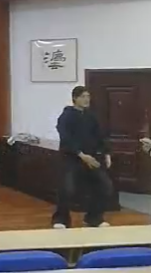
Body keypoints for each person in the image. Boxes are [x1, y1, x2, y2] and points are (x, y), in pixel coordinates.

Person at [52, 86, 113, 229]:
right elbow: (66, 139)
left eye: (88, 96)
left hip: (91, 158)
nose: (86, 99)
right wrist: (81, 155)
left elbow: (100, 136)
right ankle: (61, 219)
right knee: (67, 189)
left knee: (105, 186)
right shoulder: (66, 116)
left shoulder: (91, 116)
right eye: (83, 97)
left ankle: (94, 218)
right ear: (75, 98)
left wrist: (107, 153)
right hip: (71, 158)